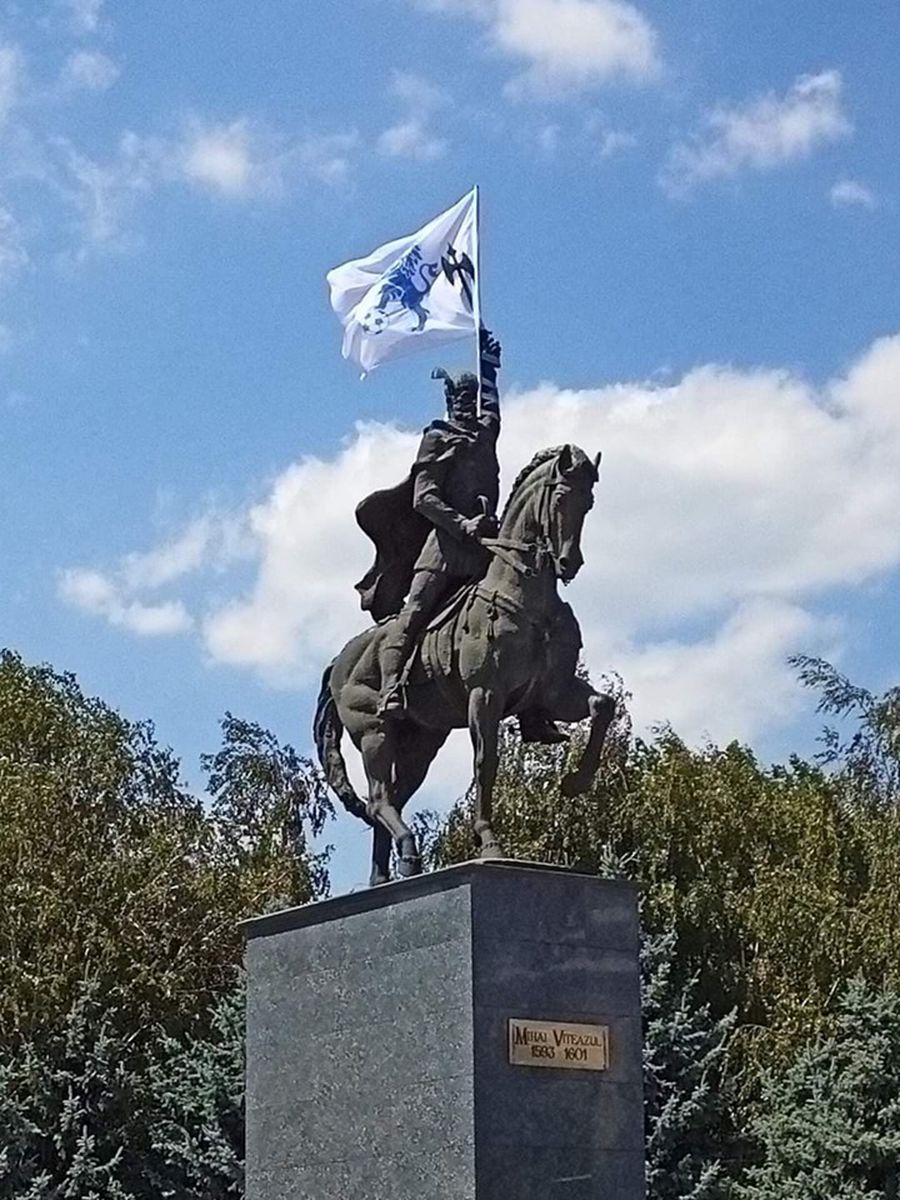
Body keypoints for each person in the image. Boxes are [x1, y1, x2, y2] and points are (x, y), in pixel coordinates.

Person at [354, 328, 567, 741]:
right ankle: (393, 687)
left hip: (488, 546)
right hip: (446, 548)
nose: (468, 407)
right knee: (416, 610)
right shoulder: (437, 438)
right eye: (460, 400)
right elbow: (424, 497)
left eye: (471, 400)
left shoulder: (485, 432)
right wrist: (462, 523)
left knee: (526, 610)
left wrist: (489, 367)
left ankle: (533, 706)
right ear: (449, 403)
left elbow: (494, 407)